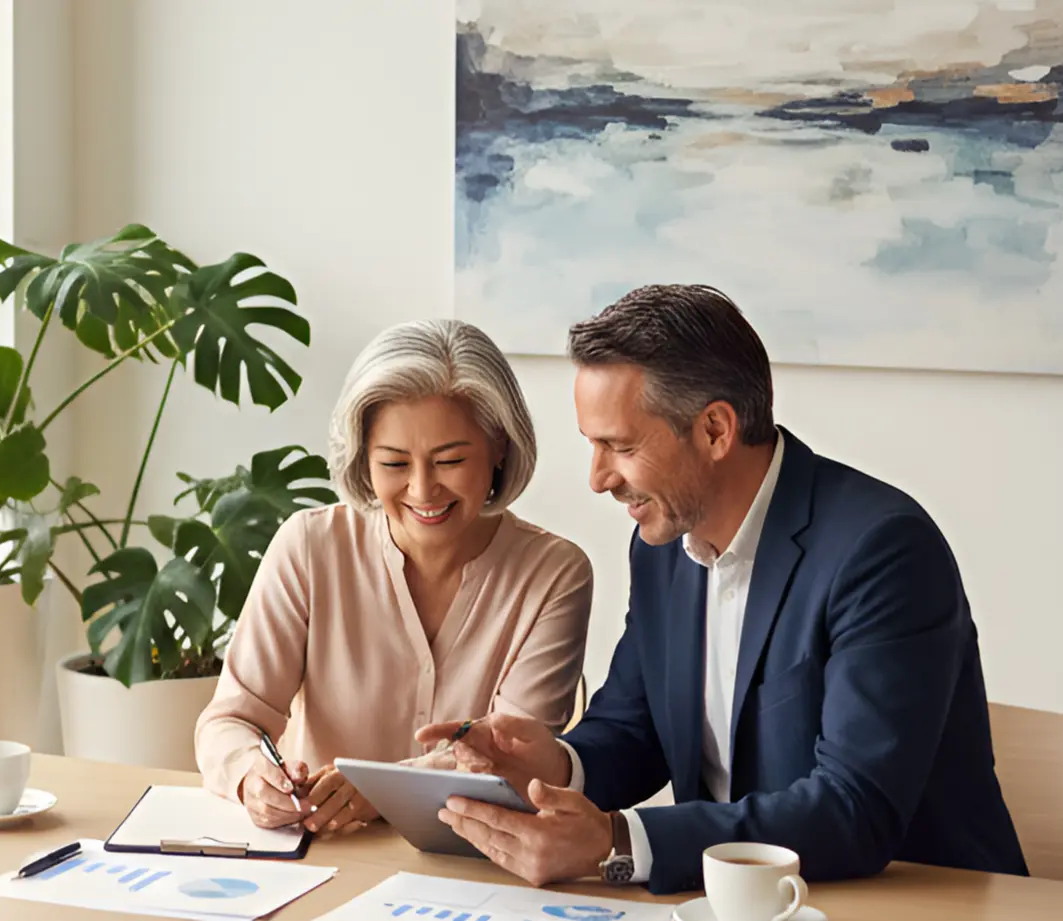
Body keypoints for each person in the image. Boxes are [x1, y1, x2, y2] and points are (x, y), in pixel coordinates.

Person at [417, 285, 1027, 893]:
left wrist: (617, 841)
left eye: (620, 447)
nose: (598, 479)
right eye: (592, 445)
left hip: (910, 899)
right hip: (730, 902)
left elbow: (855, 810)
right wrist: (553, 765)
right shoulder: (662, 548)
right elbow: (635, 731)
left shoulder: (882, 551)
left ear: (714, 430)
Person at [195, 318, 594, 836]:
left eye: (450, 460)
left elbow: (514, 759)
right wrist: (253, 777)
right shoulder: (310, 547)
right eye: (394, 463)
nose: (423, 490)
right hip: (323, 860)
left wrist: (376, 787)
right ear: (363, 458)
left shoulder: (554, 576)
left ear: (499, 446)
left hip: (478, 869)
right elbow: (230, 721)